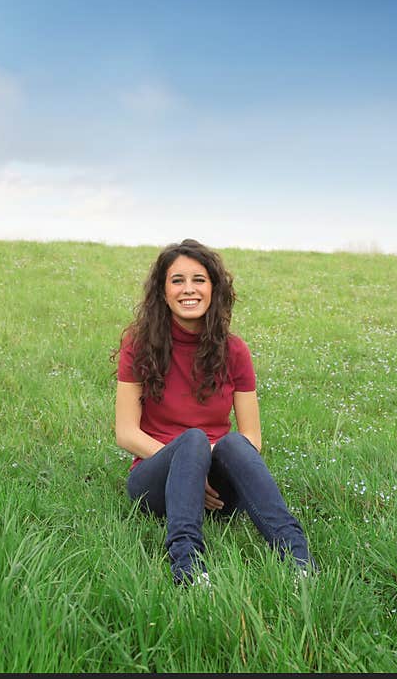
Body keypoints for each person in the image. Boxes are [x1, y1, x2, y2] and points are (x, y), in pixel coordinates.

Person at [114, 238, 316, 586]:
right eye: (177, 280)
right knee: (191, 440)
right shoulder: (138, 345)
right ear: (162, 292)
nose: (188, 289)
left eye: (199, 280)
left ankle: (298, 559)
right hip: (155, 482)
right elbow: (126, 433)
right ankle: (188, 569)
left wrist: (204, 465)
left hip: (219, 489)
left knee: (235, 443)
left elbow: (252, 437)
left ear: (213, 289)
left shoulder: (235, 350)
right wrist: (188, 466)